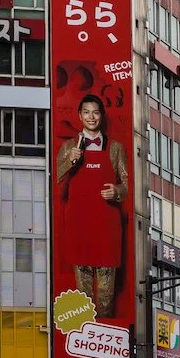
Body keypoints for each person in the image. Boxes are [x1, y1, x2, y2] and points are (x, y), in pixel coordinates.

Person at [53, 95, 131, 316]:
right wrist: (70, 160)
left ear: (101, 116)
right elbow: (57, 182)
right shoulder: (68, 147)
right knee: (82, 293)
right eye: (86, 112)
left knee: (106, 292)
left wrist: (116, 192)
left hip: (107, 228)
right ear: (79, 116)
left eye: (95, 112)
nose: (91, 117)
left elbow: (126, 185)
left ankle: (105, 333)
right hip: (79, 225)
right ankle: (85, 334)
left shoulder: (115, 148)